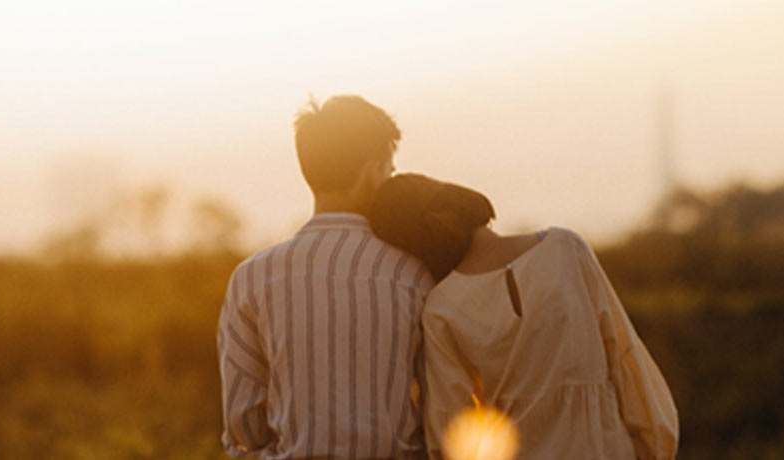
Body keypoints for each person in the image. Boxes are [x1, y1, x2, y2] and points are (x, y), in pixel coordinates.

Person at [367, 174, 679, 460]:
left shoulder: (441, 309)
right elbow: (625, 357)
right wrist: (652, 445)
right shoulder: (566, 249)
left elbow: (451, 431)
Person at [217, 96, 435, 459]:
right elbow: (440, 408)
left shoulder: (253, 277)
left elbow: (244, 425)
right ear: (372, 171)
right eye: (389, 170)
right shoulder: (414, 275)